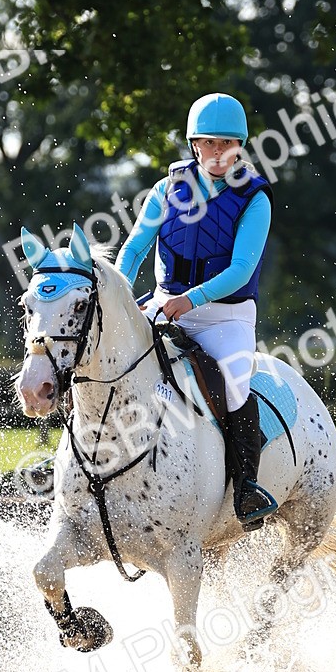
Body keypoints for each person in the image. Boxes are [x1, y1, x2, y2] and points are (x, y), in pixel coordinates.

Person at [115, 92, 278, 528]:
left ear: (241, 145)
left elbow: (242, 270)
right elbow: (133, 250)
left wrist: (190, 300)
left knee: (237, 385)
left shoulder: (255, 199)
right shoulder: (166, 190)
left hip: (225, 316)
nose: (218, 152)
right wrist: (119, 298)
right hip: (163, 304)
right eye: (209, 142)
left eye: (228, 143)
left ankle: (246, 488)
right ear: (194, 145)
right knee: (106, 357)